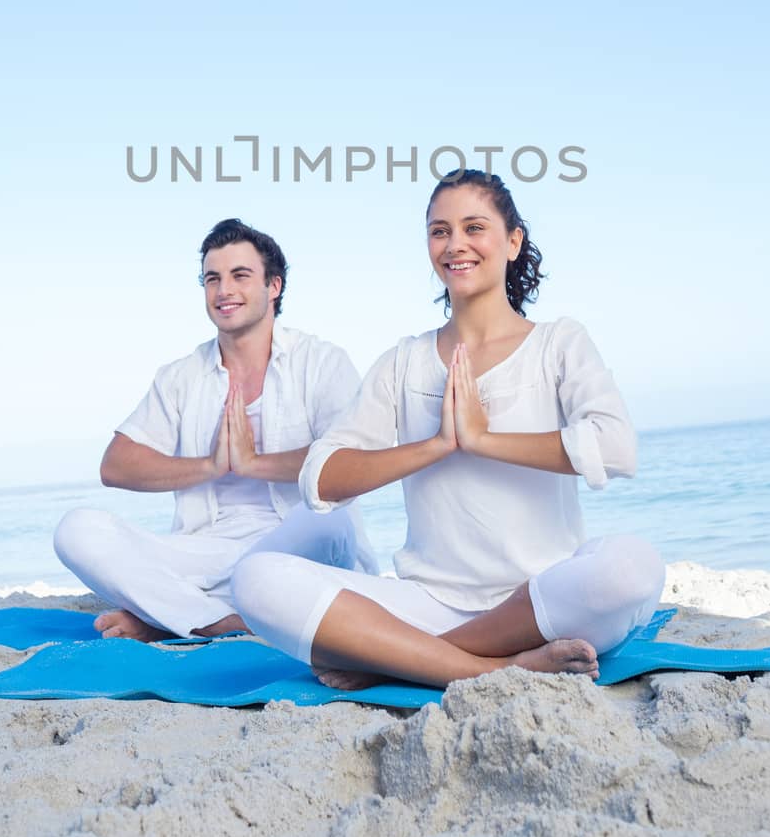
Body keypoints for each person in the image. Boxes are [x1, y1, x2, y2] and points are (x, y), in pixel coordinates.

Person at [231, 171, 665, 688]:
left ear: (512, 240)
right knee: (256, 580)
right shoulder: (404, 362)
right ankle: (495, 665)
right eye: (440, 231)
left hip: (543, 600)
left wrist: (484, 440)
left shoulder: (559, 343)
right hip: (427, 603)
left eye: (473, 227)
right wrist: (437, 446)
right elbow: (321, 479)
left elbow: (616, 447)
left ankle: (410, 659)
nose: (455, 244)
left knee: (632, 569)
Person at [54, 218, 376, 640]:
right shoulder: (180, 376)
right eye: (212, 279)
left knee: (329, 521)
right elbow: (116, 466)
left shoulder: (321, 362)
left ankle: (167, 614)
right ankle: (221, 620)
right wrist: (211, 464)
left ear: (273, 286)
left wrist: (253, 463)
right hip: (206, 548)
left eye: (240, 276)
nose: (224, 291)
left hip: (297, 545)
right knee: (75, 531)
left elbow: (347, 462)